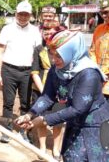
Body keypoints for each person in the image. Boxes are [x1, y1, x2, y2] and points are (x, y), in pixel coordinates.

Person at [15, 29, 109, 161]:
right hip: (75, 122)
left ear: (72, 52)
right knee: (72, 157)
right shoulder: (56, 70)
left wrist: (44, 120)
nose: (54, 60)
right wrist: (30, 114)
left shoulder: (89, 74)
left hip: (98, 125)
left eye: (59, 56)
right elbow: (47, 97)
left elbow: (78, 109)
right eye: (52, 55)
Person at [0, 1, 42, 143]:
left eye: (26, 14)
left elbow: (40, 53)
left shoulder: (34, 30)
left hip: (27, 72)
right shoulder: (7, 29)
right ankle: (6, 130)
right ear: (16, 13)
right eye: (20, 14)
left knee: (26, 103)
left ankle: (24, 131)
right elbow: (0, 52)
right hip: (9, 70)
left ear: (30, 15)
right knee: (8, 102)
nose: (22, 17)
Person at [31, 20, 66, 159]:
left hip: (60, 90)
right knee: (41, 119)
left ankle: (56, 149)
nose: (48, 32)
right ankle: (43, 147)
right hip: (40, 87)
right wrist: (44, 92)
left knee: (59, 120)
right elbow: (34, 71)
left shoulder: (63, 48)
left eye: (52, 30)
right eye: (45, 30)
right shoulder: (38, 49)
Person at [89, 3, 109, 110]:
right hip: (98, 77)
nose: (103, 16)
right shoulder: (98, 29)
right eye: (101, 13)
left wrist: (104, 70)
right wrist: (96, 68)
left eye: (106, 12)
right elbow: (92, 50)